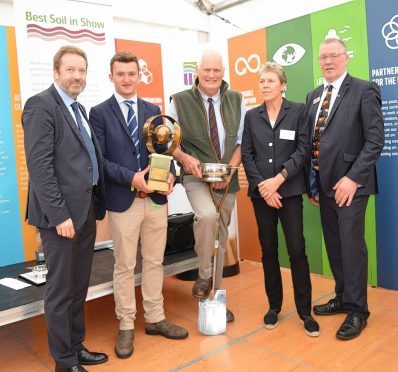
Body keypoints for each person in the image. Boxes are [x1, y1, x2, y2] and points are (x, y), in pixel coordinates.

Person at [90, 52, 188, 359]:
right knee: (125, 266)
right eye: (120, 74)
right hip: (124, 202)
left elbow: (166, 150)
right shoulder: (99, 113)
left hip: (156, 201)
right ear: (111, 77)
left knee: (155, 262)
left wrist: (171, 176)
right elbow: (101, 161)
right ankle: (127, 325)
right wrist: (133, 178)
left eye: (132, 73)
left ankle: (155, 319)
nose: (127, 79)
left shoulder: (152, 109)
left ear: (138, 76)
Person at [23, 45, 108, 372]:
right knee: (60, 291)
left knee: (78, 286)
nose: (77, 76)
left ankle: (76, 347)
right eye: (70, 70)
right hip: (61, 217)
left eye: (82, 70)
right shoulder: (41, 106)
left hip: (84, 213)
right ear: (56, 72)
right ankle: (64, 362)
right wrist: (59, 216)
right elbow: (40, 167)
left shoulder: (79, 109)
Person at [307, 38, 384, 340]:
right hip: (324, 185)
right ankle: (342, 296)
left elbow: (375, 140)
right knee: (335, 246)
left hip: (351, 185)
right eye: (323, 57)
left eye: (333, 56)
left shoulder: (364, 90)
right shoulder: (314, 95)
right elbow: (313, 142)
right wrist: (313, 183)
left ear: (346, 58)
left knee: (352, 247)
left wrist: (352, 178)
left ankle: (357, 310)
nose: (328, 61)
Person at [241, 62, 319, 337]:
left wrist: (279, 180)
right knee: (269, 250)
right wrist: (265, 187)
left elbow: (303, 150)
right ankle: (274, 306)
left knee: (297, 250)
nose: (265, 85)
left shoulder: (298, 111)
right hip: (262, 194)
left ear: (283, 84)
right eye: (262, 81)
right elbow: (247, 155)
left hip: (289, 191)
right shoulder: (251, 116)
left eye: (270, 81)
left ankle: (305, 311)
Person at [169, 49, 245, 322]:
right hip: (195, 175)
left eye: (217, 70)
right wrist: (184, 158)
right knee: (208, 216)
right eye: (207, 70)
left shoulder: (237, 100)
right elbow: (169, 142)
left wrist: (232, 168)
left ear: (223, 72)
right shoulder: (179, 101)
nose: (212, 75)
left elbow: (241, 142)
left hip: (227, 177)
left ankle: (215, 296)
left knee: (220, 237)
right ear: (197, 72)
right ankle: (203, 276)